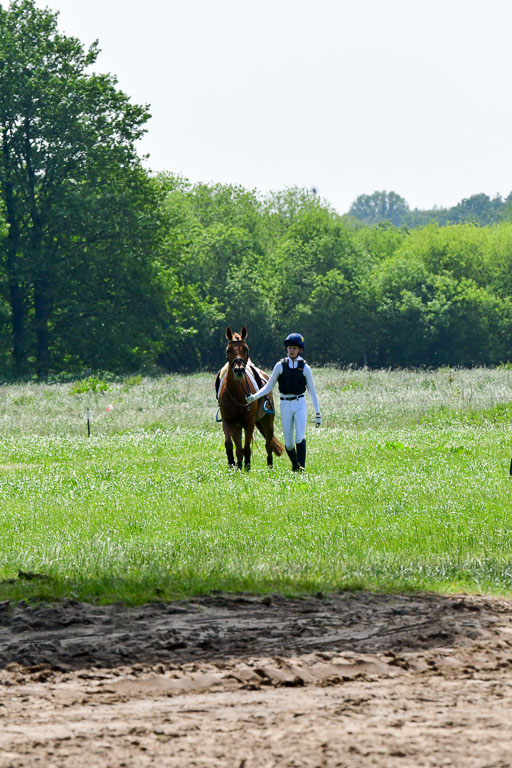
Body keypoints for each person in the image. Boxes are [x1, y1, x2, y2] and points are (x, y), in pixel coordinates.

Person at [246, 333, 321, 471]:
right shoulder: (280, 366)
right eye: (289, 347)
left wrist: (318, 413)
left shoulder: (305, 368)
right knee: (289, 444)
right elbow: (268, 386)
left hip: (300, 404)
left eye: (294, 348)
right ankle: (295, 465)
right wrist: (254, 397)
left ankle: (301, 470)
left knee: (299, 437)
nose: (291, 350)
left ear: (300, 349)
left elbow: (312, 391)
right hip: (285, 404)